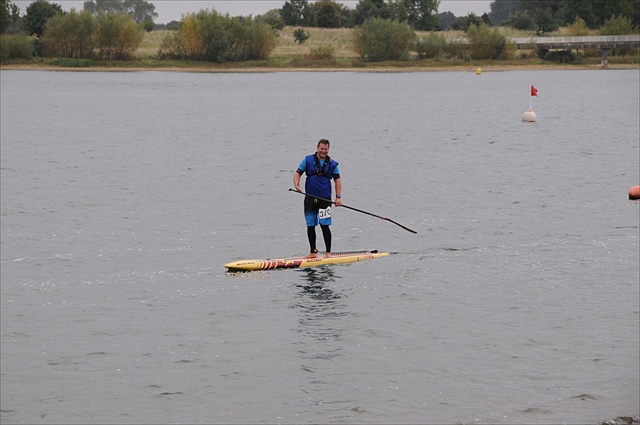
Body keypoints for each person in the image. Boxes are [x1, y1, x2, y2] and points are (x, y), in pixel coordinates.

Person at [293, 139, 342, 258]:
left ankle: (328, 253)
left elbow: (338, 181)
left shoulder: (332, 164)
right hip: (310, 198)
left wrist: (338, 197)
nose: (323, 151)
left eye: (326, 149)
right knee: (310, 225)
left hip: (325, 198)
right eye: (322, 149)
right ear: (317, 148)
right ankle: (313, 252)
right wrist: (297, 185)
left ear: (328, 149)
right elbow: (298, 173)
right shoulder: (307, 160)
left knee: (324, 225)